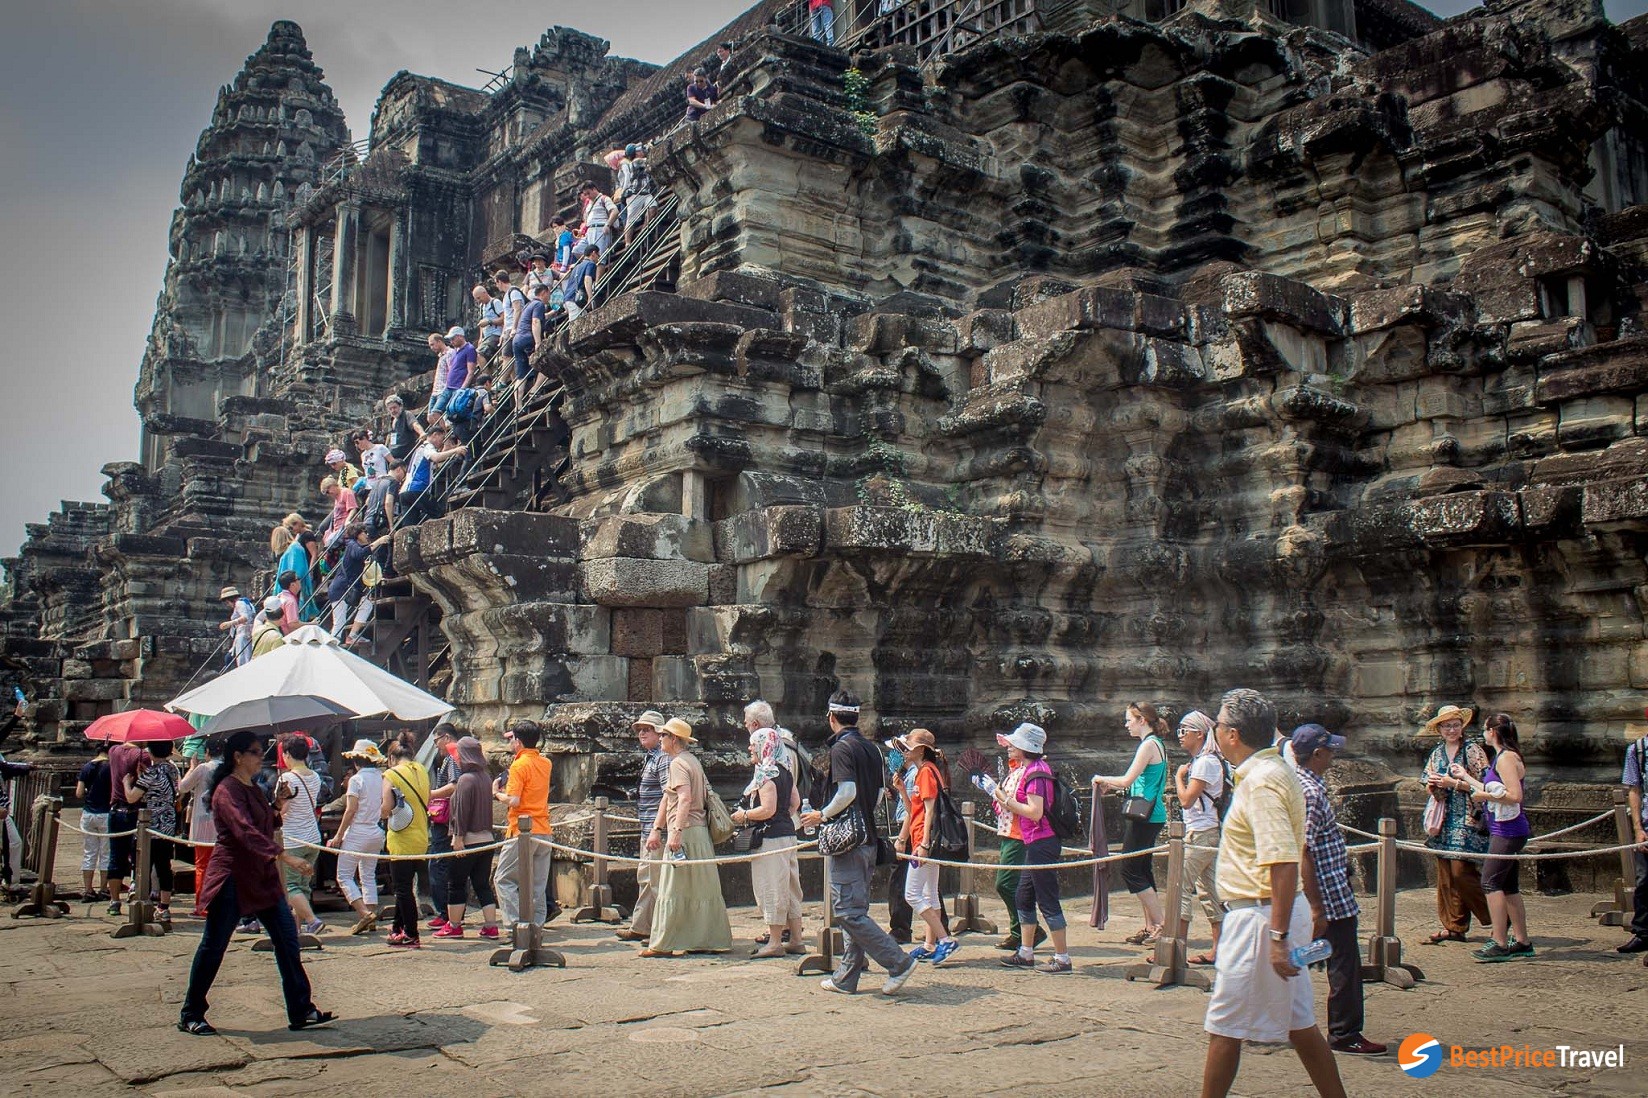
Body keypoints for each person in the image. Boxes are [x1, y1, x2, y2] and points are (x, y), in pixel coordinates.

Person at [1201, 689, 1346, 1098]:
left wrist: (1279, 937)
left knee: (1225, 1025)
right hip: (1274, 912)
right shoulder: (1272, 772)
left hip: (1261, 916)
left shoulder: (1262, 781)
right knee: (1300, 1022)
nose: (1215, 731)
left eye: (1218, 725)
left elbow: (1282, 861)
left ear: (1232, 735)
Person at [178, 729, 333, 1037]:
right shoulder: (226, 790)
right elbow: (244, 832)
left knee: (287, 940)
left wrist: (277, 804)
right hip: (233, 876)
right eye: (255, 751)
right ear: (238, 756)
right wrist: (286, 858)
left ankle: (301, 1007)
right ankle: (191, 1011)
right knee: (214, 944)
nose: (260, 757)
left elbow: (266, 822)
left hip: (261, 877)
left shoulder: (251, 787)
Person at [800, 691, 918, 995]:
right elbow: (879, 795)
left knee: (848, 912)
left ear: (831, 717)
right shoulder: (872, 749)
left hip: (848, 840)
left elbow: (847, 791)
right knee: (856, 909)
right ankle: (847, 976)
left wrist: (821, 815)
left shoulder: (842, 749)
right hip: (869, 837)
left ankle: (898, 962)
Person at [1293, 724, 1385, 1055]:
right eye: (1329, 750)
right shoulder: (1312, 794)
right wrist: (1316, 906)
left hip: (1327, 889)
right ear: (1317, 754)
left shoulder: (1303, 785)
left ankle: (1273, 1012)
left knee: (1314, 953)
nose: (1333, 755)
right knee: (1344, 963)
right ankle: (1345, 1032)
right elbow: (1304, 849)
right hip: (1329, 894)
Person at [642, 718, 732, 956]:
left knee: (673, 888)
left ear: (674, 739)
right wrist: (657, 827)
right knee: (701, 888)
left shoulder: (678, 764)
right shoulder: (691, 761)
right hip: (698, 831)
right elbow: (667, 798)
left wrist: (675, 832)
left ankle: (665, 942)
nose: (660, 739)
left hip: (686, 831)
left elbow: (684, 799)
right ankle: (709, 939)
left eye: (664, 735)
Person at [1451, 713, 1534, 961]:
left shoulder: (1507, 758)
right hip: (1505, 829)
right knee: (1508, 886)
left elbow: (1514, 796)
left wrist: (1485, 798)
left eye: (1486, 729)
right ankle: (1522, 940)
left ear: (1493, 732)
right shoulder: (1502, 757)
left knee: (1490, 882)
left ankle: (1499, 940)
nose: (1484, 734)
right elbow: (1491, 787)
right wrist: (1465, 778)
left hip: (1508, 831)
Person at [991, 722, 1071, 974]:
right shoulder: (1030, 770)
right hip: (1032, 841)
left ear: (1025, 748)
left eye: (1014, 745)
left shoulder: (1037, 773)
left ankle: (1063, 957)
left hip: (1042, 841)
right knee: (1023, 896)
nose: (1009, 748)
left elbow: (1035, 813)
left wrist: (1009, 803)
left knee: (1047, 899)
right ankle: (1026, 952)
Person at [1094, 701, 1170, 944]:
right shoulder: (1154, 744)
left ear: (1142, 721)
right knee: (1143, 870)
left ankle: (1161, 924)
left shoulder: (1149, 745)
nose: (1126, 725)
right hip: (1151, 814)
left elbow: (1128, 780)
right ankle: (1151, 925)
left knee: (1130, 870)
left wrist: (1100, 778)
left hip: (1146, 817)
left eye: (1129, 720)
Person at [731, 725, 805, 958]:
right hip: (788, 834)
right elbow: (795, 803)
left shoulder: (765, 774)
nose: (750, 747)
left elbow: (767, 809)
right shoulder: (785, 771)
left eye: (754, 743)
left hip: (771, 838)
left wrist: (744, 815)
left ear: (764, 745)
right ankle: (796, 939)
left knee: (772, 887)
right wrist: (783, 816)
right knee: (791, 886)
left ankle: (774, 942)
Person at [1421, 703, 1491, 943]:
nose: (1452, 730)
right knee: (1445, 874)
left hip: (1467, 817)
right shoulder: (1437, 753)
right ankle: (1454, 925)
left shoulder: (1472, 751)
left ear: (1462, 727)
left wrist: (1455, 784)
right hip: (1443, 820)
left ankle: (1495, 914)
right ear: (1439, 729)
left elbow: (1485, 785)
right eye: (1447, 726)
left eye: (1456, 725)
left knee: (1462, 872)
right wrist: (1433, 785)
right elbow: (1425, 779)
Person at [892, 728, 959, 965]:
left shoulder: (926, 773)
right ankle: (931, 944)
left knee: (912, 893)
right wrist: (901, 791)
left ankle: (944, 939)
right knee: (930, 894)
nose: (905, 751)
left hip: (924, 841)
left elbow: (930, 811)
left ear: (921, 750)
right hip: (924, 839)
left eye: (909, 746)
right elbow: (916, 810)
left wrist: (923, 843)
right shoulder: (926, 772)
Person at [1172, 709, 1226, 965]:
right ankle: (1220, 948)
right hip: (1208, 831)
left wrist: (1178, 778)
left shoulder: (1205, 762)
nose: (1180, 735)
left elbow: (1186, 800)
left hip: (1200, 833)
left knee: (1179, 887)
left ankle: (1175, 948)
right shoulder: (1206, 761)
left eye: (1185, 730)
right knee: (1209, 891)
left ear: (1199, 734)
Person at [437, 736, 499, 939]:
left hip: (468, 839)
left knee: (456, 882)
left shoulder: (465, 780)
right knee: (481, 883)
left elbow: (462, 812)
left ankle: (454, 924)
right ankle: (491, 925)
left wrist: (458, 836)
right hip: (486, 838)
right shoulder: (485, 777)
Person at [493, 720, 554, 927]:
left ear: (518, 742)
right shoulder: (546, 763)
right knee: (537, 884)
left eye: (512, 739)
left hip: (522, 829)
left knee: (503, 879)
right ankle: (535, 928)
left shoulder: (518, 765)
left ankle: (515, 926)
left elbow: (514, 800)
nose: (511, 743)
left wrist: (497, 794)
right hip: (543, 828)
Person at [617, 710, 670, 943]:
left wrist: (658, 828)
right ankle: (642, 925)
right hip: (647, 825)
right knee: (646, 876)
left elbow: (670, 794)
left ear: (660, 733)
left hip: (658, 828)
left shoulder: (663, 758)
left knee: (657, 880)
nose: (641, 733)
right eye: (639, 730)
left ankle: (658, 930)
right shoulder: (651, 757)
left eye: (647, 729)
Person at [990, 736, 1041, 952]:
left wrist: (1000, 794)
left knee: (1007, 884)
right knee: (1012, 884)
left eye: (1013, 744)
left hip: (1020, 833)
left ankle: (1027, 928)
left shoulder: (1029, 772)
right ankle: (1019, 930)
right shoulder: (1015, 770)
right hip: (1008, 831)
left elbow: (1019, 803)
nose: (1008, 748)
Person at [379, 735, 430, 948]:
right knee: (405, 886)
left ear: (391, 757)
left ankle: (411, 932)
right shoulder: (422, 770)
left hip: (401, 836)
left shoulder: (391, 773)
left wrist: (382, 813)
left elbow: (386, 807)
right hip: (421, 835)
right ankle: (397, 927)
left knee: (402, 888)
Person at [330, 739, 385, 935]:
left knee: (343, 875)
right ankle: (370, 915)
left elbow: (350, 809)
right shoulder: (381, 777)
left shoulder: (356, 780)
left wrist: (338, 835)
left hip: (358, 831)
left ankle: (363, 913)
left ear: (356, 760)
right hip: (376, 831)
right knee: (368, 875)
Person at [273, 734, 326, 936]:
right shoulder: (315, 777)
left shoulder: (286, 778)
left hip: (293, 837)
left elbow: (282, 809)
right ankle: (296, 929)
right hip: (312, 837)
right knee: (303, 886)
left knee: (290, 885)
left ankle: (312, 921)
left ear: (286, 754)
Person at [125, 739, 182, 924]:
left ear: (150, 751)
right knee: (164, 865)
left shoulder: (151, 773)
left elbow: (132, 797)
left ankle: (145, 903)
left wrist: (127, 783)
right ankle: (164, 907)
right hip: (168, 823)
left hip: (151, 824)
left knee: (144, 866)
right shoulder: (172, 769)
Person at [177, 740, 222, 918]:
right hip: (222, 821)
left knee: (202, 865)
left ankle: (202, 905)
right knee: (220, 866)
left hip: (204, 819)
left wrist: (191, 767)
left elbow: (183, 787)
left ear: (208, 752)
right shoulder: (228, 768)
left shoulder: (203, 769)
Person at [426, 724, 461, 934]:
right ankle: (449, 912)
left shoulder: (453, 756)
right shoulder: (456, 755)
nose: (436, 744)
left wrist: (430, 793)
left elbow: (454, 785)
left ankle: (445, 912)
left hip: (445, 818)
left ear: (446, 737)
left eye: (436, 739)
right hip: (449, 818)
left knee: (439, 865)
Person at [104, 740, 145, 915]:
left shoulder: (113, 751)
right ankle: (136, 892)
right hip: (135, 809)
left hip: (115, 809)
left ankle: (114, 900)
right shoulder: (141, 756)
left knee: (115, 855)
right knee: (140, 855)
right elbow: (144, 780)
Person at [1618, 731, 1648, 955]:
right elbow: (1634, 789)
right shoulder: (1638, 750)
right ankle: (1643, 933)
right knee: (1644, 880)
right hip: (1647, 824)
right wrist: (1638, 828)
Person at [75, 743, 111, 900]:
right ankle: (103, 888)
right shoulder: (111, 768)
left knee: (89, 853)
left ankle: (88, 889)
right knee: (106, 854)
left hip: (88, 813)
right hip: (106, 813)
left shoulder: (87, 767)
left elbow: (79, 793)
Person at [615, 144, 657, 250]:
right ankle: (628, 243)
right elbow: (650, 160)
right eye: (640, 150)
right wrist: (652, 149)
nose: (642, 151)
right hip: (635, 194)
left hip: (646, 193)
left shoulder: (638, 161)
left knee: (653, 208)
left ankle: (644, 230)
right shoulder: (636, 162)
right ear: (636, 153)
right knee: (631, 219)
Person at [512, 282, 551, 395]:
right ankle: (534, 390)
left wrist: (551, 314)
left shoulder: (528, 305)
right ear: (544, 293)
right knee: (546, 362)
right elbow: (535, 321)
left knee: (521, 376)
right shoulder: (539, 305)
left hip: (517, 340)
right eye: (548, 294)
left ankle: (518, 408)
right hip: (528, 338)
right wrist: (538, 342)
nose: (549, 298)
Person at [217, 586, 256, 667]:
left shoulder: (239, 603)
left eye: (227, 602)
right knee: (232, 657)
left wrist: (230, 623)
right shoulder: (245, 602)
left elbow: (245, 617)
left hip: (243, 635)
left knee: (243, 659)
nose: (228, 605)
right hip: (245, 633)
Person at [578, 183, 618, 257]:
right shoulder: (588, 204)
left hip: (600, 228)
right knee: (577, 250)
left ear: (594, 189)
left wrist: (608, 225)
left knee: (599, 256)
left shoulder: (604, 198)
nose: (587, 196)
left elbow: (614, 211)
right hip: (589, 231)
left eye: (588, 193)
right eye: (585, 194)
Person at [318, 475, 358, 547]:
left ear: (332, 486)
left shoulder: (346, 492)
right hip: (337, 529)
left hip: (344, 528)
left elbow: (353, 508)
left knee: (330, 544)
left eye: (328, 491)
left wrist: (347, 521)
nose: (328, 494)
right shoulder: (336, 498)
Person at [383, 394, 423, 464]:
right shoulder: (392, 420)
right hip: (393, 456)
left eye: (394, 407)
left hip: (406, 454)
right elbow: (389, 436)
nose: (393, 410)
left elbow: (414, 424)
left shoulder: (407, 414)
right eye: (390, 409)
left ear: (400, 406)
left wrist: (422, 433)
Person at [563, 245, 599, 322]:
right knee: (576, 325)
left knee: (583, 321)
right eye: (598, 255)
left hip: (568, 297)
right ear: (593, 253)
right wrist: (590, 297)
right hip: (576, 299)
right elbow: (587, 279)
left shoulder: (576, 266)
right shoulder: (590, 264)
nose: (598, 258)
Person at [473, 282, 506, 362]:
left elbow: (503, 318)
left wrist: (489, 322)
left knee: (479, 355)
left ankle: (485, 374)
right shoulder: (482, 307)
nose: (478, 301)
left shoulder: (495, 303)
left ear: (485, 293)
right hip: (486, 336)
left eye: (479, 298)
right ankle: (487, 373)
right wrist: (481, 338)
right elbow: (482, 323)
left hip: (495, 334)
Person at [426, 331, 452, 418]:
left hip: (444, 389)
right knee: (430, 418)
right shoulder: (441, 356)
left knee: (435, 413)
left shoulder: (450, 353)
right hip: (436, 390)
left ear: (439, 341)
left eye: (432, 344)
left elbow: (452, 371)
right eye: (430, 345)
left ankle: (443, 431)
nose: (431, 347)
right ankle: (439, 431)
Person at [443, 326, 475, 395]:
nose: (451, 342)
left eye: (452, 339)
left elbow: (471, 372)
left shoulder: (470, 349)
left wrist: (462, 389)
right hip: (448, 386)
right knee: (438, 406)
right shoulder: (455, 350)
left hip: (457, 387)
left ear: (460, 336)